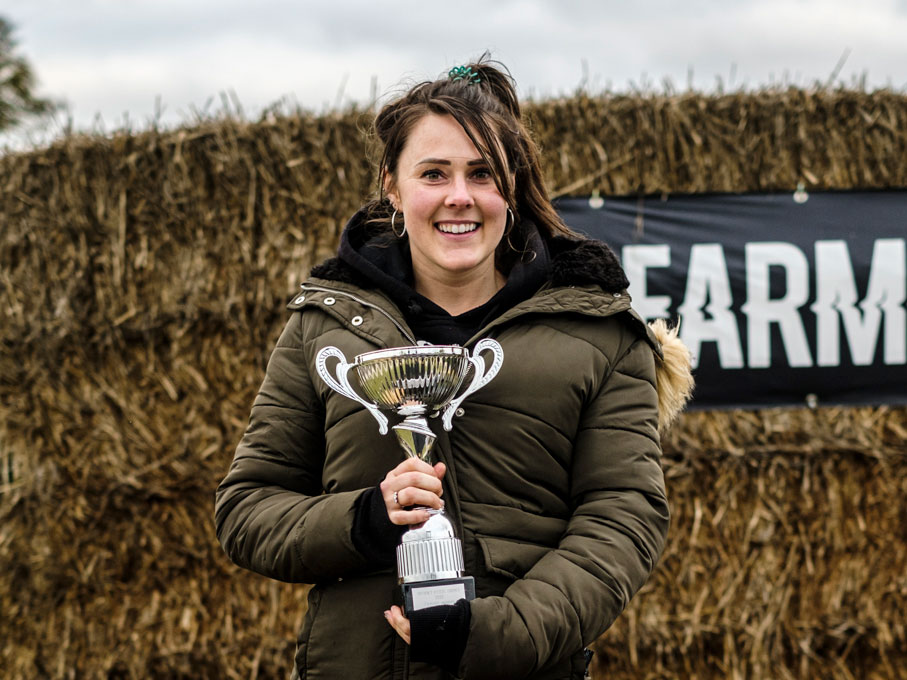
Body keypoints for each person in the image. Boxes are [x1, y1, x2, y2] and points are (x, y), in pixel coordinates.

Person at [215, 57, 693, 680]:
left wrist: (496, 634)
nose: (459, 197)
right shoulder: (322, 330)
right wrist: (363, 519)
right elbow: (246, 509)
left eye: (482, 174)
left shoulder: (600, 334)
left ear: (513, 185)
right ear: (393, 185)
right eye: (434, 173)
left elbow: (623, 519)